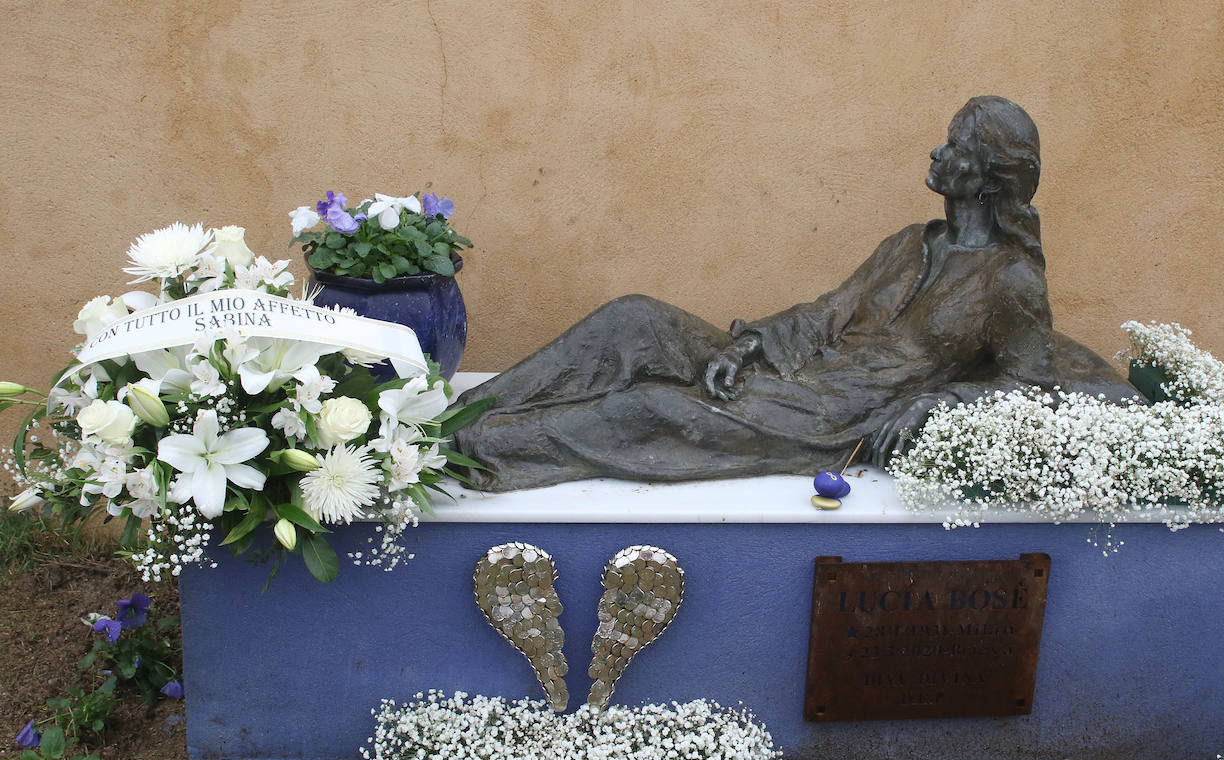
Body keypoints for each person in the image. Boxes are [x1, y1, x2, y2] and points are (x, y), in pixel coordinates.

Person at [456, 96, 1141, 490]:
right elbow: (829, 311)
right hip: (793, 369)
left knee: (649, 409)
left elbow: (1034, 383)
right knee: (635, 319)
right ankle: (455, 420)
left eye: (955, 145)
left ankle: (480, 448)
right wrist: (752, 345)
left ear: (989, 175)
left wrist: (942, 397)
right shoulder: (912, 241)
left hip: (830, 418)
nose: (935, 152)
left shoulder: (1010, 280)